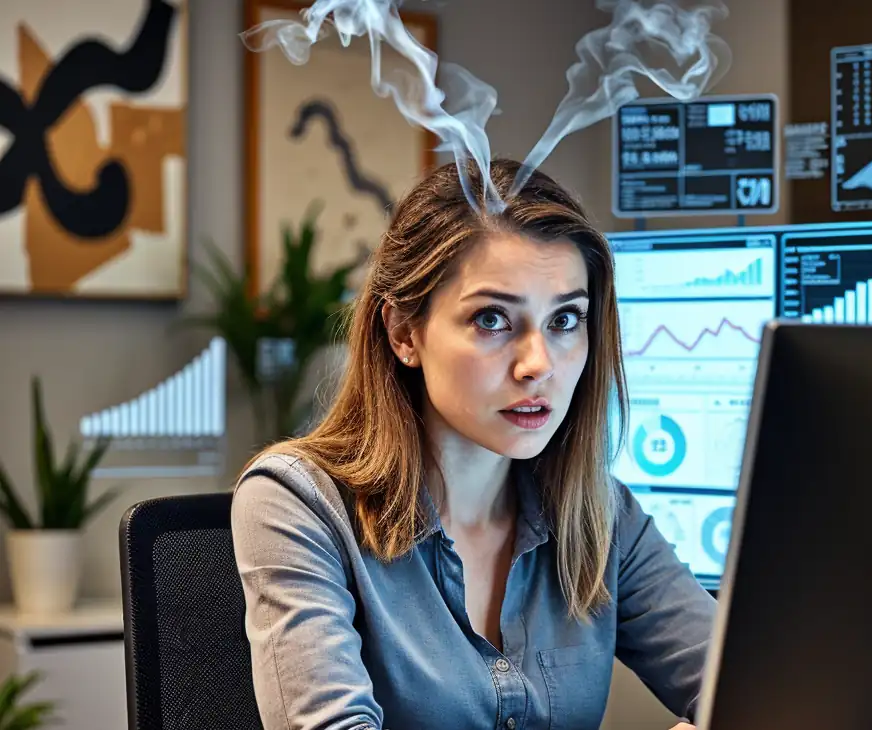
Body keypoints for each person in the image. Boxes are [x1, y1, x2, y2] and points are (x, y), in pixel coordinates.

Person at [231, 158, 717, 730]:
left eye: (565, 320)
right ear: (403, 333)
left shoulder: (600, 516)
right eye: (492, 319)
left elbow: (755, 686)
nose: (538, 364)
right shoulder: (298, 503)